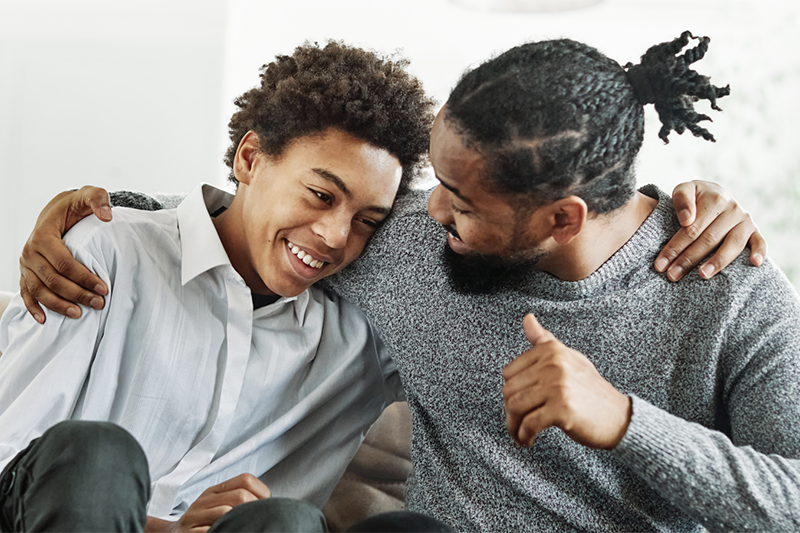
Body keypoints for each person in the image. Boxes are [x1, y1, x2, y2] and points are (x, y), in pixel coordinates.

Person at [12, 33, 795, 532]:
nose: (426, 216)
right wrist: (90, 214)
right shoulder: (411, 246)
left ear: (561, 218)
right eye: (436, 182)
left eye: (461, 202)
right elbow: (248, 226)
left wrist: (626, 420)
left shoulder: (731, 286)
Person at [0, 41, 451, 533]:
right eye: (321, 195)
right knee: (98, 455)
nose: (336, 236)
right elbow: (14, 461)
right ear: (250, 159)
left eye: (367, 220)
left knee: (289, 521)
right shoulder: (106, 252)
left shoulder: (366, 338)